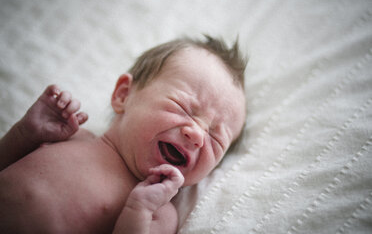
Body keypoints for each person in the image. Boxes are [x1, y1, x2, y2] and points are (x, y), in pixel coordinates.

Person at [0, 35, 247, 233]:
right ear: (123, 95)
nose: (197, 135)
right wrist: (24, 132)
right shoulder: (71, 137)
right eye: (183, 107)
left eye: (216, 138)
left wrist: (138, 210)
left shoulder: (158, 211)